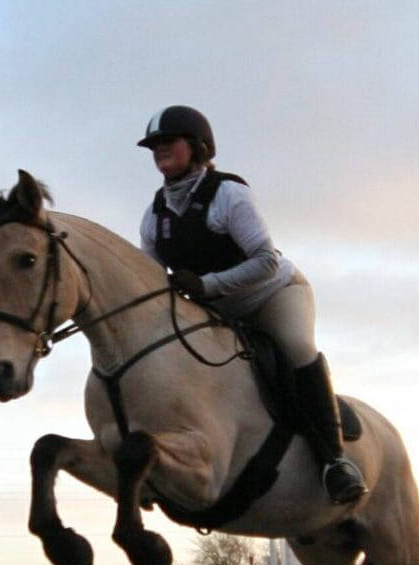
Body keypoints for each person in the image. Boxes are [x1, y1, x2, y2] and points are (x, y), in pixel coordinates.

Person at [136, 104, 366, 504]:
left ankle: (335, 461)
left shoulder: (228, 194)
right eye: (154, 146)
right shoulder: (154, 216)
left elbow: (265, 260)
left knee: (297, 348)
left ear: (196, 145)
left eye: (167, 142)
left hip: (272, 295)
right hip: (218, 311)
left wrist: (207, 284)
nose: (158, 150)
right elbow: (155, 281)